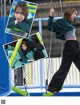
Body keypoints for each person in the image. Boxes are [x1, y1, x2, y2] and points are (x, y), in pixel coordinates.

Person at [44, 7, 80, 96]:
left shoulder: (68, 23)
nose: (76, 15)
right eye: (74, 13)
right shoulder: (62, 21)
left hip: (75, 46)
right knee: (64, 68)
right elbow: (50, 27)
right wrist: (51, 14)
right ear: (70, 14)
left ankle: (55, 87)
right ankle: (52, 88)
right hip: (70, 47)